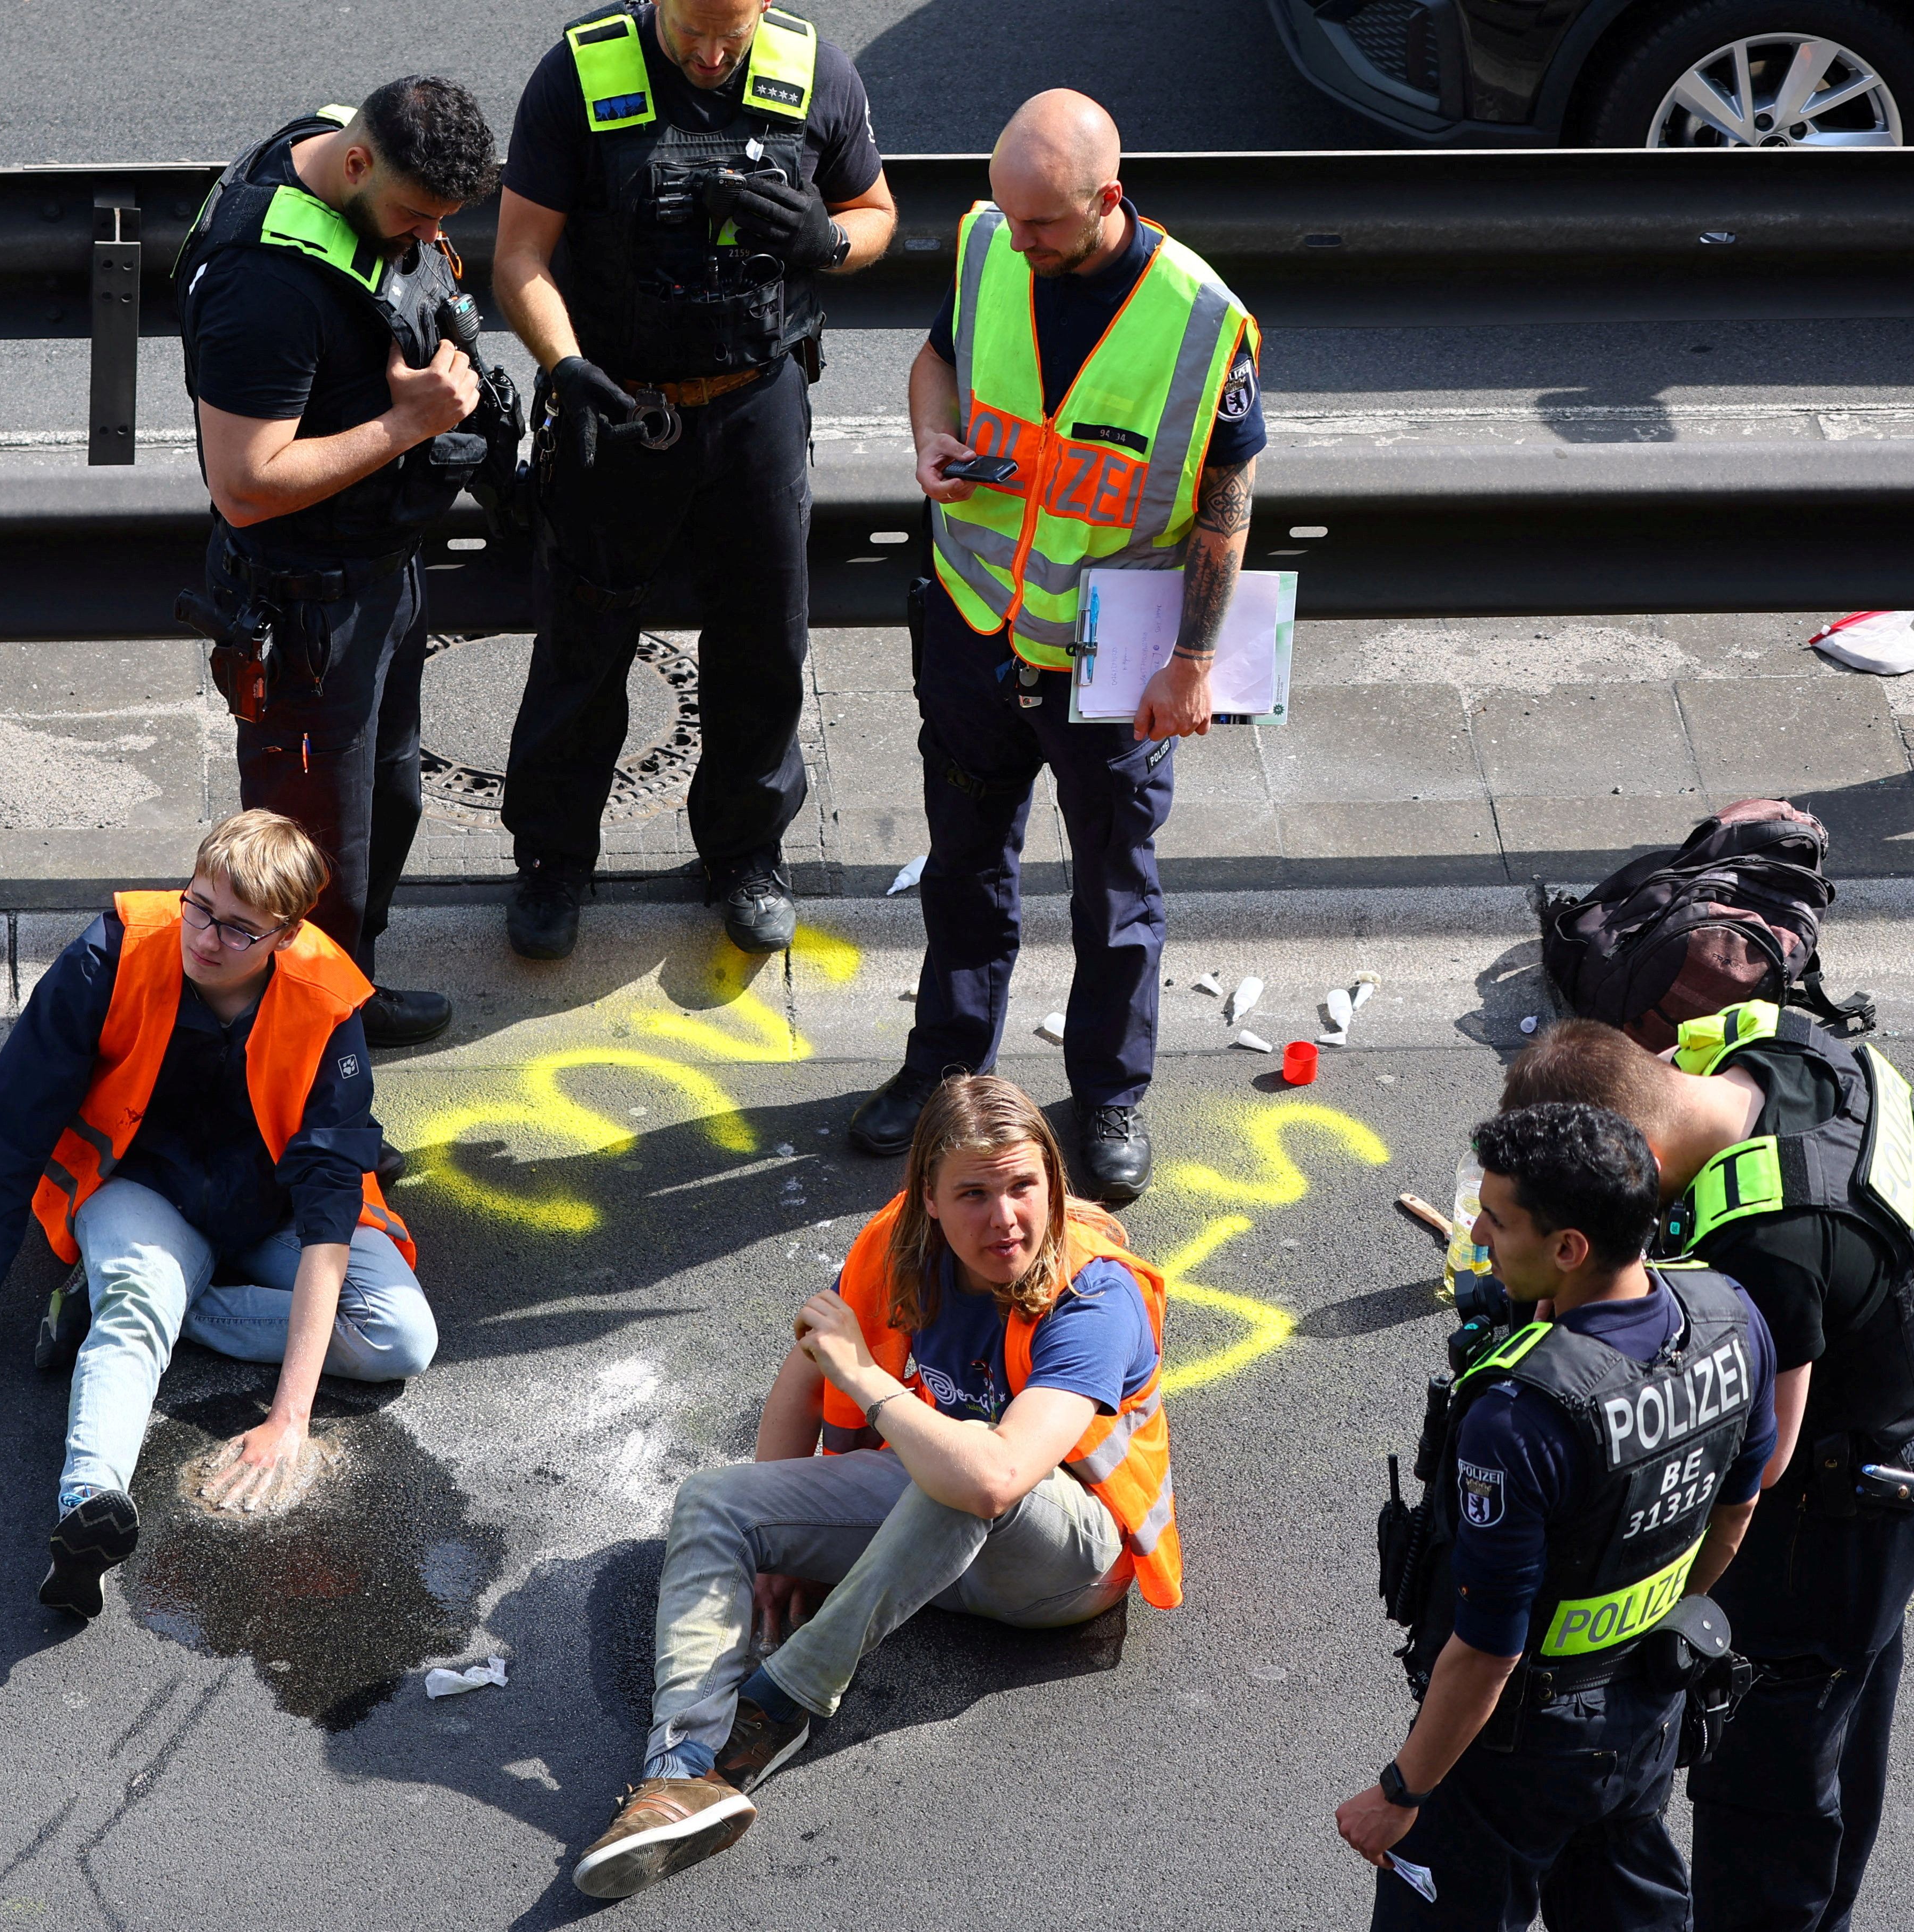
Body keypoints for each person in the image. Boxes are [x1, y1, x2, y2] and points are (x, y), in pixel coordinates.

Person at [570, 1072, 1178, 1899]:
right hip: (932, 1529)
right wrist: (778, 1546)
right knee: (714, 1501)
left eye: (1023, 1186)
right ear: (926, 1197)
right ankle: (676, 1778)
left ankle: (775, 1706)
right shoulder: (896, 1244)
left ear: (1053, 1184)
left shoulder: (1095, 1292)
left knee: (965, 1460)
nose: (1003, 1218)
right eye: (972, 1193)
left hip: (1063, 1567)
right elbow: (811, 1354)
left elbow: (997, 1476)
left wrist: (867, 1379)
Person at [847, 89, 1266, 1207]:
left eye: (1045, 227)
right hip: (974, 627)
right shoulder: (992, 245)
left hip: (1107, 662)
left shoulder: (1199, 322)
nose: (1019, 244)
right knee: (965, 866)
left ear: (1107, 201)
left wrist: (1193, 661)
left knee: (1113, 889)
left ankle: (1111, 1094)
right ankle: (945, 1072)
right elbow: (934, 362)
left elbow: (1225, 508)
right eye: (1008, 217)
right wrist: (931, 436)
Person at [0, 811, 437, 1619]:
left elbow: (326, 1219)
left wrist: (289, 1419)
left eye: (239, 929)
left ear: (286, 935)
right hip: (143, 1195)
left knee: (403, 1338)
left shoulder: (328, 999)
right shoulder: (107, 954)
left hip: (276, 1208)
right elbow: (7, 1136)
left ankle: (129, 1308)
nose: (206, 938)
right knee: (137, 1306)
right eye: (199, 906)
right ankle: (86, 1506)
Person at [1501, 1009, 1914, 1932]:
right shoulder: (1804, 1048)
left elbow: (1754, 1464)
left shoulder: (1766, 1242)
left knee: (1770, 1779)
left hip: (1830, 1519)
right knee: (1848, 1706)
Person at [491, 0, 896, 963]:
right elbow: (517, 257)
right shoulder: (580, 77)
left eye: (732, 37)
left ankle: (746, 853)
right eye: (691, 37)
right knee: (584, 640)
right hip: (615, 407)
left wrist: (826, 242)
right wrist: (562, 367)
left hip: (755, 403)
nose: (712, 58)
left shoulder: (814, 71)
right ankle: (553, 858)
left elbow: (877, 214)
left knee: (764, 640)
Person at [1336, 1102, 1779, 1931]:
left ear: (1568, 1248)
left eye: (1497, 1223)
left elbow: (1484, 1653)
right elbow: (1735, 1510)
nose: (1477, 1236)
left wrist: (1400, 1792)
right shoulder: (1730, 1314)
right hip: (1646, 1702)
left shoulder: (1517, 1417)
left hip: (1513, 1749)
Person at [175, 76, 504, 1050]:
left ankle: (345, 996)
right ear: (357, 165)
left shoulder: (332, 141)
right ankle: (314, 1077)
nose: (420, 239)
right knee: (310, 865)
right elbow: (245, 482)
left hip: (380, 574)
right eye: (412, 216)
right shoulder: (262, 287)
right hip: (306, 613)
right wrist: (409, 422)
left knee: (388, 806)